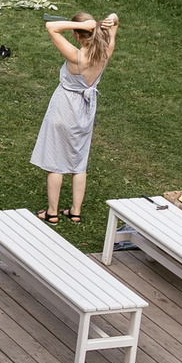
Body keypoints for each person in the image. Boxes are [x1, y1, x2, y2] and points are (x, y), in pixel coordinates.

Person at [32, 14, 118, 221]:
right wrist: (112, 18)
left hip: (65, 108)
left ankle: (52, 212)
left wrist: (80, 24)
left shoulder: (76, 56)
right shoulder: (106, 52)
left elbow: (51, 26)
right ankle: (75, 212)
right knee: (80, 160)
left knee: (55, 161)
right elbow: (114, 24)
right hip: (86, 110)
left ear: (76, 34)